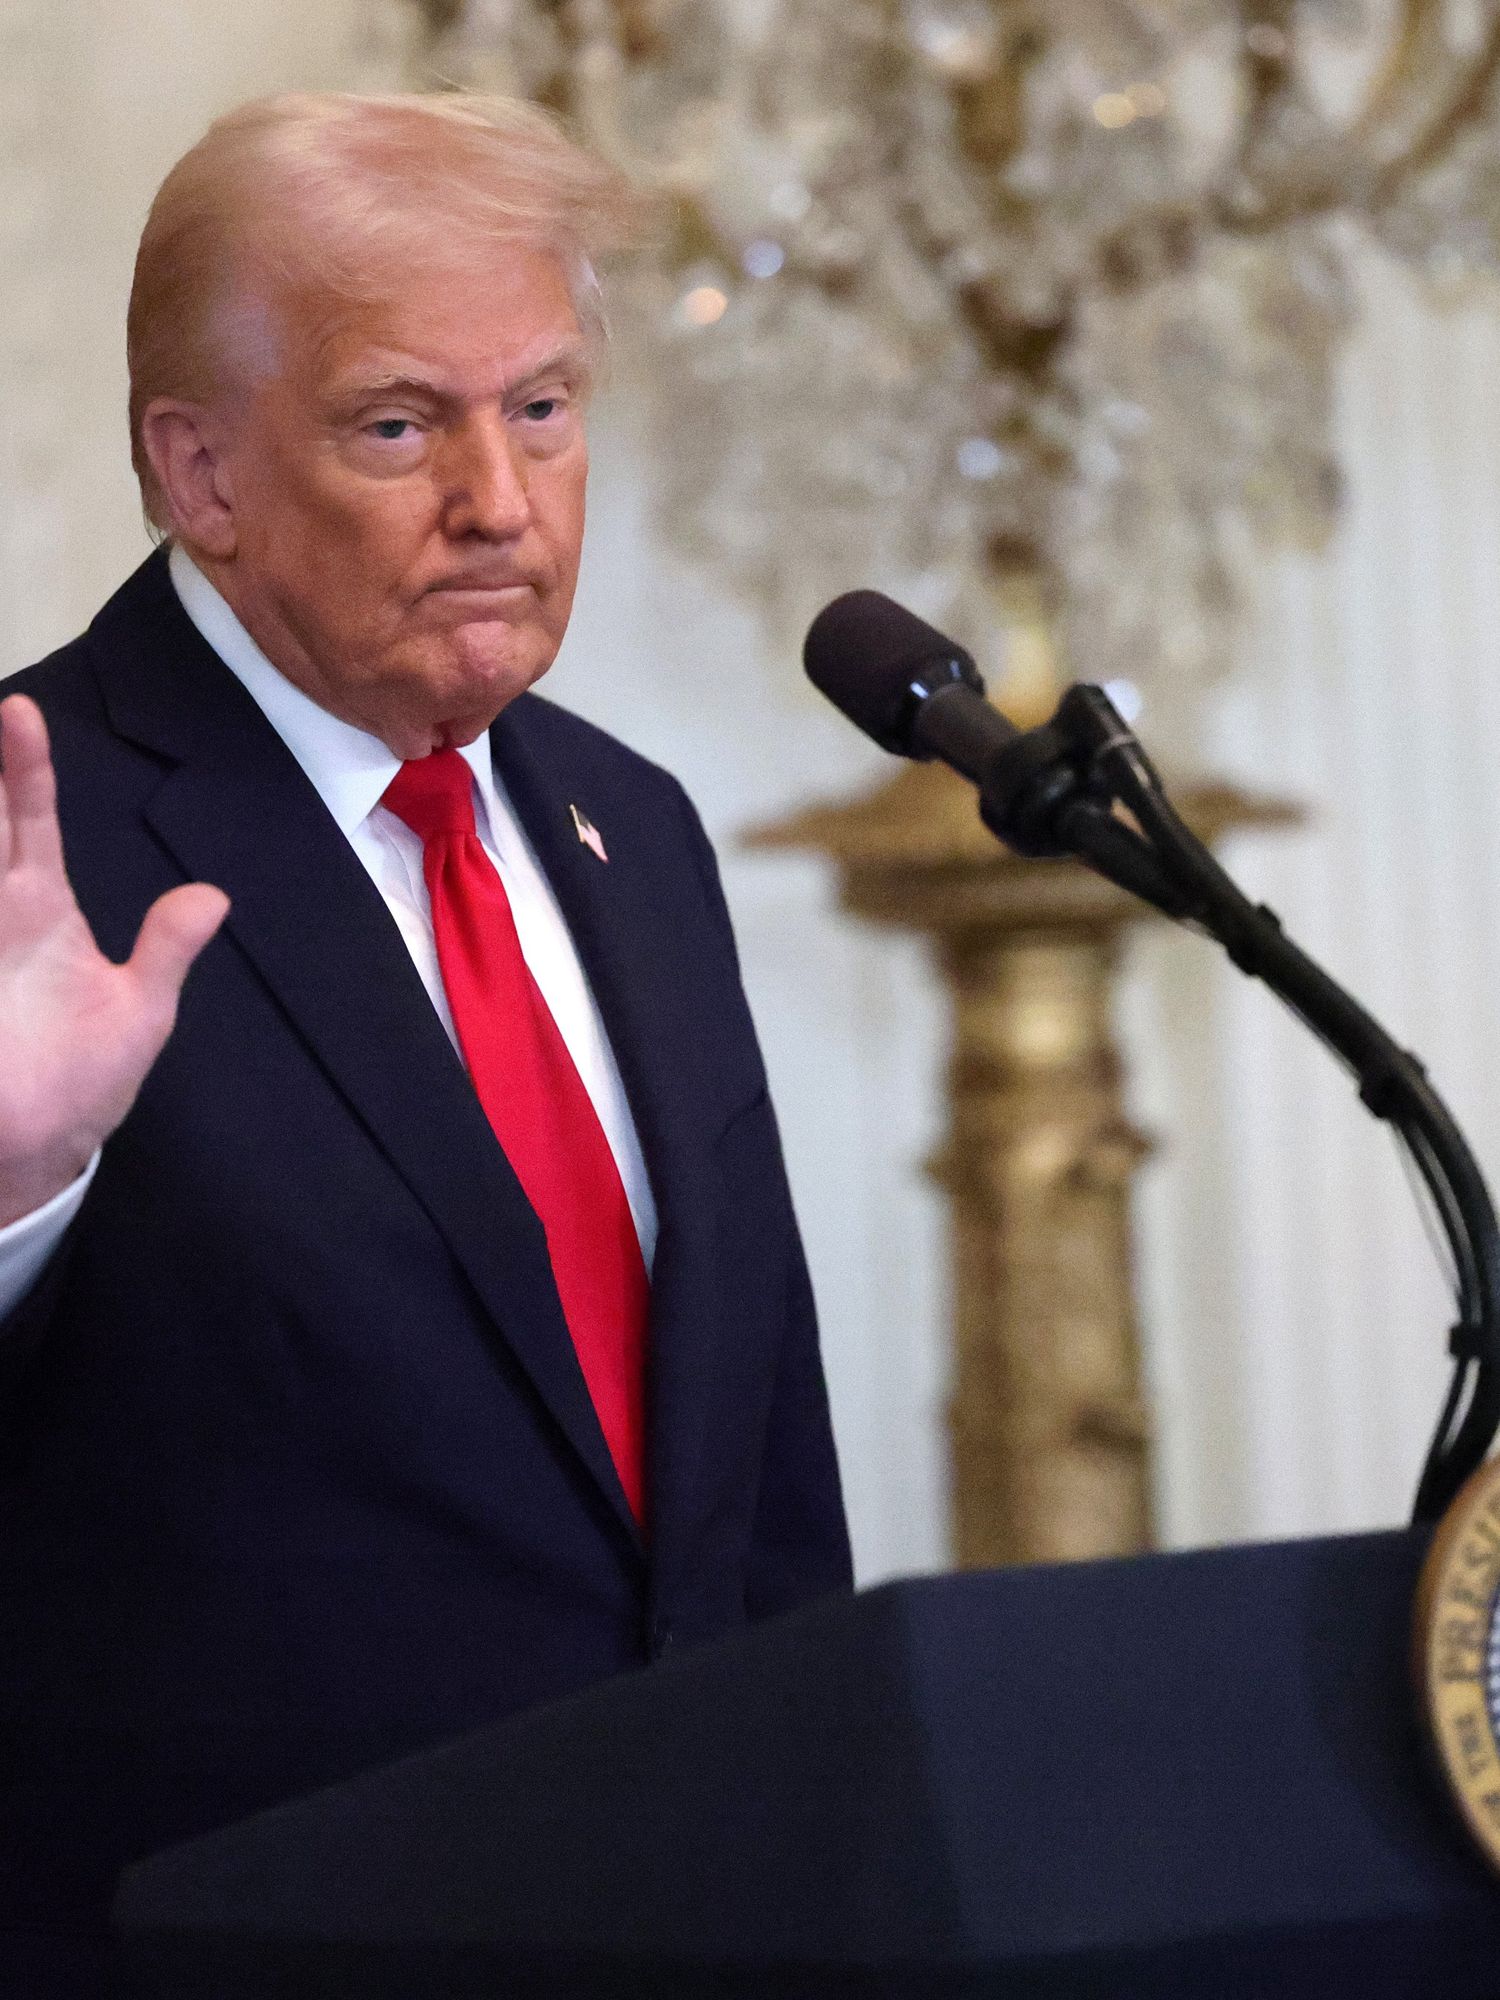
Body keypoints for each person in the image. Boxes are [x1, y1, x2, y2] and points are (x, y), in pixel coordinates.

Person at [0, 91, 851, 1957]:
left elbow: (755, 1467)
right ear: (203, 473)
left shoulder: (636, 829)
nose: (498, 499)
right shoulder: (30, 839)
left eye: (542, 408)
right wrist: (12, 1199)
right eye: (400, 424)